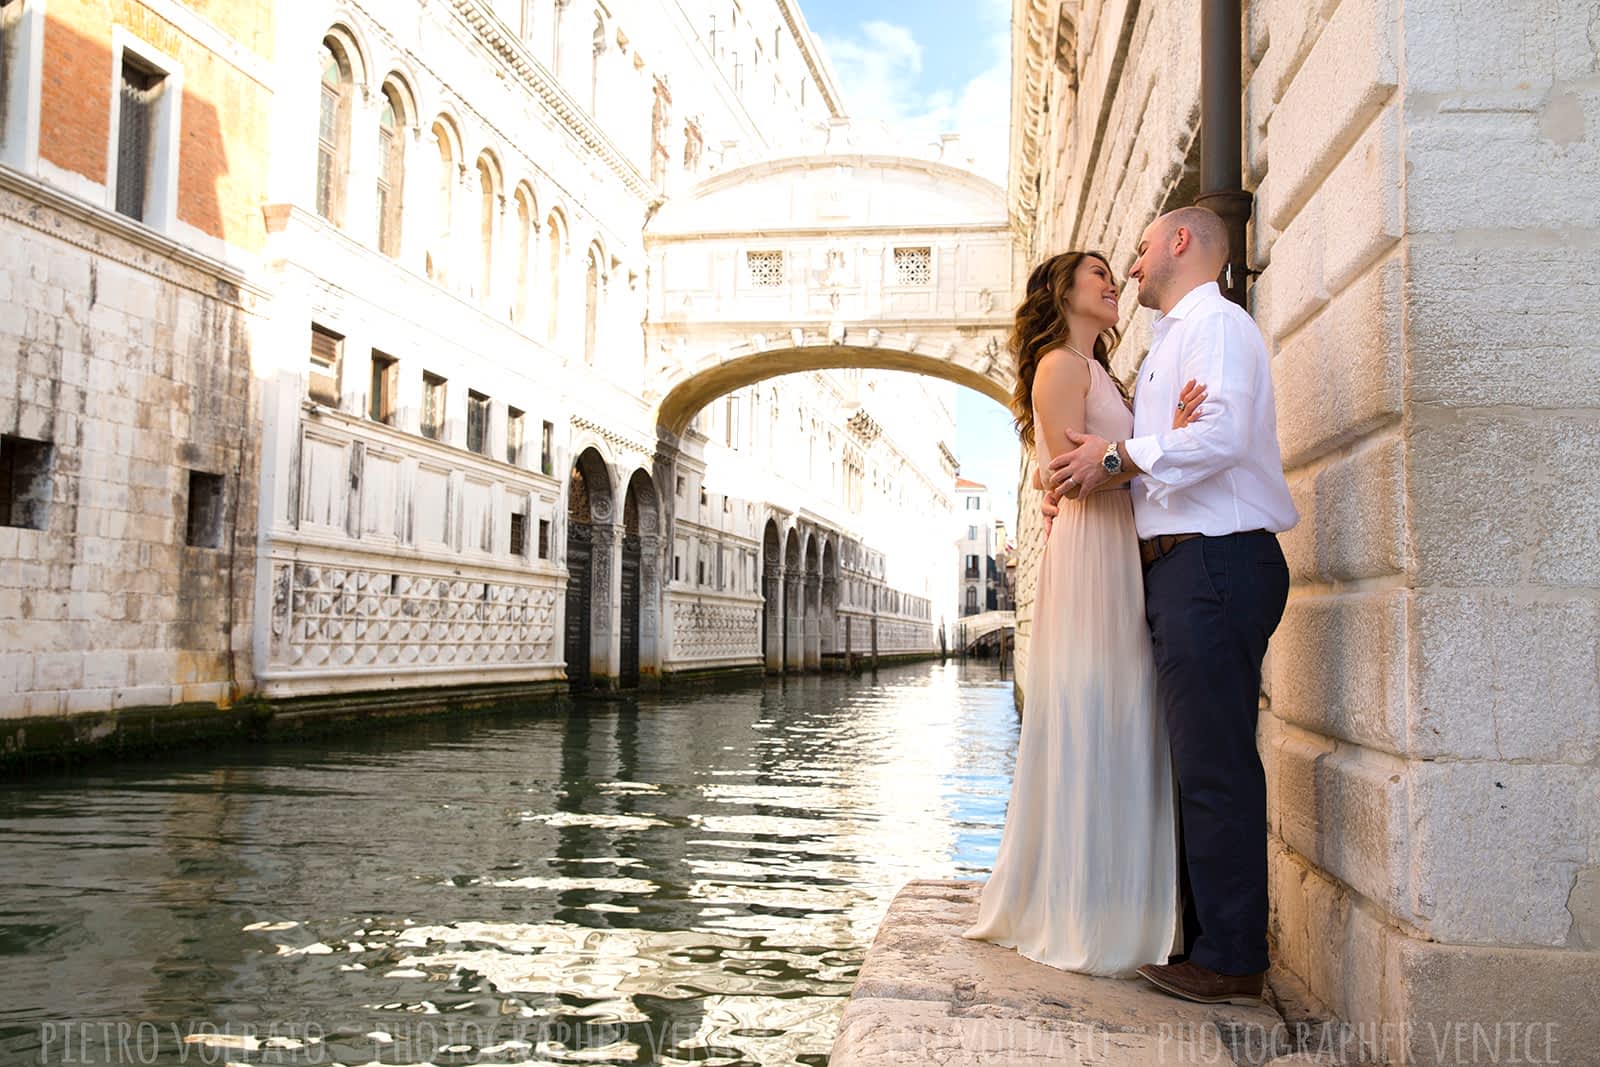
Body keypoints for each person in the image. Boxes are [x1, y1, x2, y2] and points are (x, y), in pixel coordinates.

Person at [1044, 206, 1297, 1005]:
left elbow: (1213, 437)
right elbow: (1172, 449)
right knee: (1195, 758)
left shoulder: (1214, 326)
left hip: (1213, 560)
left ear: (1180, 243)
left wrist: (1127, 452)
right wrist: (1149, 447)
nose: (1131, 260)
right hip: (1186, 566)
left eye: (1144, 244)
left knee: (1213, 762)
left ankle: (1228, 957)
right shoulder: (1170, 345)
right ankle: (1201, 934)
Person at [961, 250, 1206, 977]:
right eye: (1097, 272)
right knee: (1102, 714)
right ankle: (1087, 908)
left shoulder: (1099, 370)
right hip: (1092, 554)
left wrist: (1157, 439)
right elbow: (1073, 476)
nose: (1113, 282)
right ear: (1063, 291)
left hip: (1113, 551)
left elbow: (1084, 465)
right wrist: (1155, 448)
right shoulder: (1061, 365)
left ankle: (1117, 901)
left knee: (1123, 715)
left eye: (1112, 272)